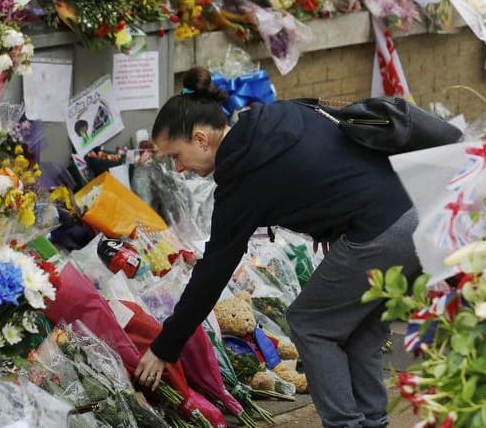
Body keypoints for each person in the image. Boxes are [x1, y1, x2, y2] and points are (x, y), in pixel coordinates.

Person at [135, 67, 422, 428]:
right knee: (361, 334)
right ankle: (372, 422)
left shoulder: (242, 173)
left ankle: (346, 423)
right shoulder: (278, 115)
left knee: (310, 323)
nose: (178, 169)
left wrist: (165, 348)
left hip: (381, 230)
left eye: (176, 156)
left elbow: (214, 272)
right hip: (416, 207)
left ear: (201, 138)